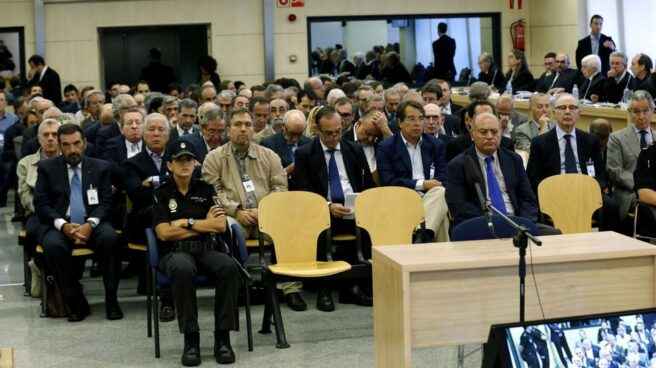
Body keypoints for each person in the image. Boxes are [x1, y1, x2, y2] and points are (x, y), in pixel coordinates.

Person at [153, 140, 238, 366]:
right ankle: (191, 339)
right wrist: (202, 225)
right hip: (174, 253)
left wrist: (185, 223)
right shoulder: (161, 193)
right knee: (182, 269)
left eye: (189, 159)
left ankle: (223, 336)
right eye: (179, 160)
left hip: (207, 249)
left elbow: (220, 226)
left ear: (195, 163)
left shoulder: (206, 189)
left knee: (229, 267)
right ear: (169, 165)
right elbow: (163, 233)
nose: (185, 164)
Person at [34, 124, 122, 322]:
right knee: (52, 246)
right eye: (66, 145)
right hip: (60, 222)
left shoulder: (100, 167)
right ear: (59, 145)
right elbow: (41, 204)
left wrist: (90, 224)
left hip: (93, 221)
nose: (72, 150)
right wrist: (62, 226)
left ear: (85, 143)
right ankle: (74, 300)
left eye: (76, 144)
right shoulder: (47, 168)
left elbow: (107, 203)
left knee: (110, 239)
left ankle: (111, 299)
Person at [292, 105, 375, 308]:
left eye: (338, 131)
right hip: (322, 210)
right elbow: (304, 192)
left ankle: (356, 286)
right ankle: (324, 288)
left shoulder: (354, 149)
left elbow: (368, 186)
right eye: (328, 133)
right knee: (319, 228)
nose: (334, 137)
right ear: (317, 130)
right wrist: (327, 205)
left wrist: (360, 201)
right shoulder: (305, 153)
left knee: (372, 226)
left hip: (354, 209)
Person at [526, 93, 620, 232]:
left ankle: (608, 249)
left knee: (611, 206)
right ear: (554, 113)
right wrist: (553, 190)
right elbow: (532, 178)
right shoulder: (540, 142)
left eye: (572, 108)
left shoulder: (591, 140)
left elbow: (601, 175)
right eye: (562, 108)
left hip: (586, 194)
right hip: (554, 195)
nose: (567, 112)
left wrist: (591, 189)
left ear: (579, 113)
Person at [446, 112, 538, 227]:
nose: (490, 137)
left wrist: (524, 223)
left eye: (494, 132)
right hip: (480, 224)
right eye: (483, 132)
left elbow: (528, 199)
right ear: (472, 135)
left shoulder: (513, 159)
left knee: (553, 234)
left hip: (517, 222)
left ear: (501, 133)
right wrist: (491, 222)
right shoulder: (458, 165)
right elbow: (457, 205)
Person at [377, 100, 450, 242]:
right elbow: (388, 181)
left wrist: (430, 187)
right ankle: (435, 250)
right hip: (403, 199)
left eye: (420, 118)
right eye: (411, 119)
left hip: (432, 196)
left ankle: (421, 234)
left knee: (440, 192)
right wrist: (422, 184)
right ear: (400, 122)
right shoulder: (386, 147)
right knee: (441, 216)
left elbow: (443, 177)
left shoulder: (436, 144)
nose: (417, 123)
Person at [17, 119, 61, 276]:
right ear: (38, 138)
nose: (50, 138)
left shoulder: (69, 159)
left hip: (64, 211)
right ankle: (39, 268)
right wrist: (45, 211)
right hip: (37, 212)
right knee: (32, 232)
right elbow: (24, 196)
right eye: (46, 135)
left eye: (55, 134)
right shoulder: (26, 163)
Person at [607, 91, 655, 228]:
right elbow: (614, 171)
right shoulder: (617, 138)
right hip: (630, 192)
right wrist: (642, 185)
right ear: (629, 112)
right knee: (648, 206)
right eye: (636, 112)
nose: (641, 116)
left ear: (652, 111)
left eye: (646, 111)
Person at [260, 110, 311, 179]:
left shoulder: (309, 143)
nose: (295, 139)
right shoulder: (268, 144)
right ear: (283, 126)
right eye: (292, 134)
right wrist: (289, 169)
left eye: (299, 134)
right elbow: (267, 176)